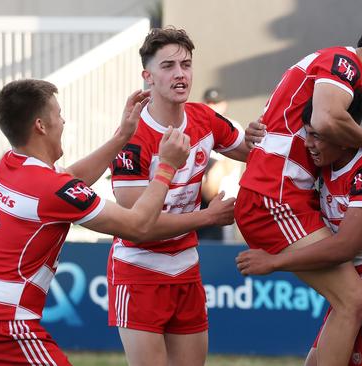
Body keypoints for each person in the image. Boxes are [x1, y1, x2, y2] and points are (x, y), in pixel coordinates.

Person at [0, 79, 190, 366]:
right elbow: (138, 226)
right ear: (40, 126)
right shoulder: (50, 188)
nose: (63, 121)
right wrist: (168, 167)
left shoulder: (9, 164)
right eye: (58, 114)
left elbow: (68, 182)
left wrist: (122, 136)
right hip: (2, 327)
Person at [237, 18, 362, 365]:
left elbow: (298, 123)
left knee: (345, 310)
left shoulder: (349, 164)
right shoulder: (345, 62)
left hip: (276, 197)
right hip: (277, 198)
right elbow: (326, 119)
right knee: (353, 302)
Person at [107, 27, 250, 366]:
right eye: (168, 66)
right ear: (148, 76)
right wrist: (207, 217)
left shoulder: (205, 118)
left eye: (186, 65)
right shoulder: (130, 135)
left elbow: (257, 151)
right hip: (138, 271)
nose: (180, 74)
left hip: (186, 268)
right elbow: (138, 226)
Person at [199, 87, 244, 242]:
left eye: (217, 103)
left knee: (222, 248)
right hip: (199, 204)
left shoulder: (232, 126)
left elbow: (228, 166)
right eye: (210, 103)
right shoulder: (199, 128)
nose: (213, 106)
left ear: (224, 104)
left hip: (224, 200)